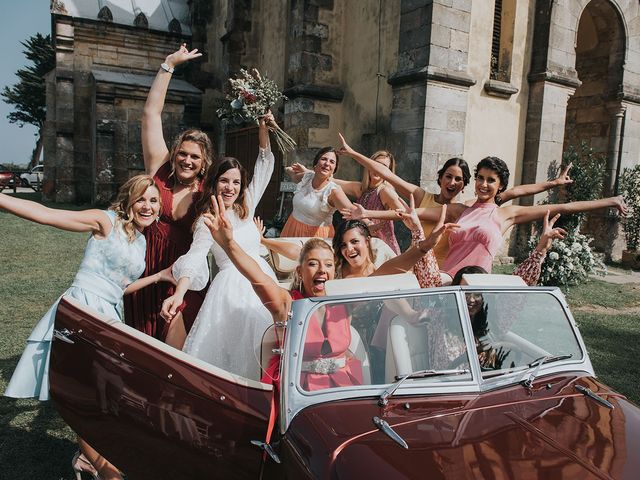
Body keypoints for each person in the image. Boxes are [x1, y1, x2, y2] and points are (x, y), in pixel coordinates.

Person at [2, 175, 174, 480]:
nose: (147, 206)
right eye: (141, 199)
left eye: (153, 200)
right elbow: (48, 214)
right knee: (86, 392)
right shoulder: (105, 222)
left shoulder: (142, 240)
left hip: (109, 316)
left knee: (104, 394)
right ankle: (104, 469)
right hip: (81, 310)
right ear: (128, 201)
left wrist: (159, 276)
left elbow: (120, 286)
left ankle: (86, 458)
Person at [204, 194, 454, 390]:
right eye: (313, 263)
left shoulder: (342, 300)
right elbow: (256, 276)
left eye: (327, 264)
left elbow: (387, 272)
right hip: (298, 393)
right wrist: (229, 244)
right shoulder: (286, 305)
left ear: (335, 271)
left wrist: (423, 245)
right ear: (300, 272)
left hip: (342, 391)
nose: (321, 270)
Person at [160, 114, 277, 380]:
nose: (230, 187)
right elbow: (195, 257)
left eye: (236, 182)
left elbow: (265, 162)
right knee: (233, 352)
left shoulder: (247, 203)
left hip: (261, 279)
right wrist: (179, 294)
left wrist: (262, 129)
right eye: (224, 180)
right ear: (213, 183)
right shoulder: (207, 220)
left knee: (267, 343)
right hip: (230, 288)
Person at [337, 133, 574, 264]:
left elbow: (515, 192)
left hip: (446, 271)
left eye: (458, 179)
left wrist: (552, 183)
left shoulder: (468, 208)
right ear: (440, 178)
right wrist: (353, 154)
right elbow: (386, 173)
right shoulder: (422, 197)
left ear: (464, 184)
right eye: (448, 177)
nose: (452, 183)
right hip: (415, 264)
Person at [125, 44, 214, 347]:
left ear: (204, 164)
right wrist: (168, 66)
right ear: (175, 154)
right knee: (142, 336)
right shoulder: (159, 169)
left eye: (195, 158)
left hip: (183, 274)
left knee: (176, 340)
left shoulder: (206, 194)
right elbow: (151, 113)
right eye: (183, 154)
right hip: (146, 266)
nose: (187, 161)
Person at [288, 149, 404, 253]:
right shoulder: (361, 188)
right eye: (375, 164)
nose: (377, 169)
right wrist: (310, 171)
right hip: (364, 241)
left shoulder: (386, 191)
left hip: (382, 243)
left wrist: (368, 215)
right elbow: (329, 179)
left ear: (388, 172)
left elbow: (402, 213)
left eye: (383, 166)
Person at [281, 147, 354, 238]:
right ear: (315, 164)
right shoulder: (307, 177)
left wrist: (370, 223)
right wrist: (287, 169)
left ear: (334, 169)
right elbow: (293, 174)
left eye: (332, 162)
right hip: (291, 229)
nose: (327, 163)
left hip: (315, 238)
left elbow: (354, 213)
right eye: (323, 159)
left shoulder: (333, 191)